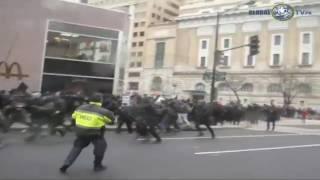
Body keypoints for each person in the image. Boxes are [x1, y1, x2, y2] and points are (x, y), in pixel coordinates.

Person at [59, 93, 114, 173]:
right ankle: (97, 166)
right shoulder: (103, 111)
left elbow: (74, 117)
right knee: (101, 147)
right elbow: (111, 121)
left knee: (76, 148)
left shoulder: (80, 108)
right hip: (95, 133)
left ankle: (66, 164)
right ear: (101, 101)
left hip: (81, 133)